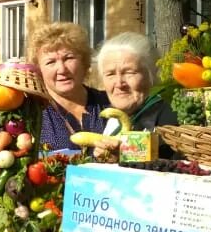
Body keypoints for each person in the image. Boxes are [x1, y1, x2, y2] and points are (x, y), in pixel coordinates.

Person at [30, 22, 109, 151]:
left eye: (69, 58)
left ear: (84, 62)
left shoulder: (108, 104)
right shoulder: (33, 114)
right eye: (50, 62)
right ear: (39, 70)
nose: (62, 69)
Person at [96, 32, 178, 153]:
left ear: (151, 76)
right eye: (110, 74)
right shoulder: (112, 121)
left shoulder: (170, 118)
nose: (119, 84)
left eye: (129, 72)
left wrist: (121, 158)